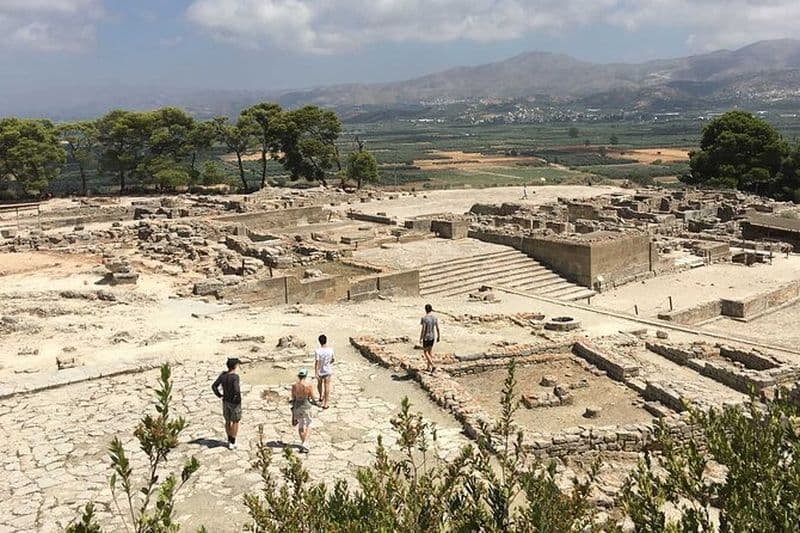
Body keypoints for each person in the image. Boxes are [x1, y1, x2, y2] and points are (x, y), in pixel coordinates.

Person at [212, 357, 242, 450]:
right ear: (235, 366)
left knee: (228, 421)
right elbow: (236, 390)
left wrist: (220, 395)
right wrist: (238, 399)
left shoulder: (223, 376)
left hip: (225, 401)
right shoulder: (235, 377)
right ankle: (233, 441)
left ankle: (229, 440)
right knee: (236, 421)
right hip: (234, 403)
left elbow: (214, 386)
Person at [291, 368, 316, 453]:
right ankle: (305, 443)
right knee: (310, 423)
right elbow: (312, 397)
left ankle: (304, 443)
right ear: (305, 376)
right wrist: (315, 402)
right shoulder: (308, 385)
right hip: (306, 405)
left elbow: (293, 397)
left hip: (297, 406)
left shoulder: (294, 386)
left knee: (301, 424)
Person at [314, 334, 334, 409]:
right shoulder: (330, 350)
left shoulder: (317, 351)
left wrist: (316, 372)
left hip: (320, 370)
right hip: (328, 370)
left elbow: (317, 362)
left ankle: (320, 396)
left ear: (319, 342)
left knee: (319, 384)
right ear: (326, 340)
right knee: (327, 386)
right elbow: (332, 360)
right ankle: (326, 403)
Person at [419, 304, 441, 373]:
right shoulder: (435, 318)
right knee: (430, 351)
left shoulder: (424, 318)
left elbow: (423, 329)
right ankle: (428, 367)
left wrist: (421, 338)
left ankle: (433, 365)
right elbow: (437, 328)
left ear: (425, 310)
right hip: (432, 336)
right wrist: (438, 336)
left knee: (425, 352)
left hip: (426, 337)